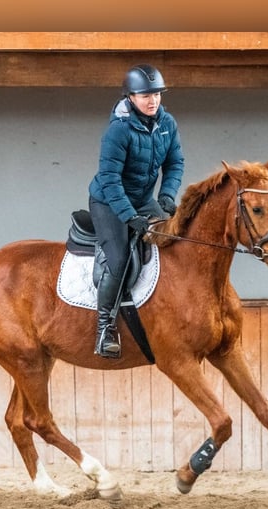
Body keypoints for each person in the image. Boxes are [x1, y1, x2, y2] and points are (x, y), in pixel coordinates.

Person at [88, 64, 185, 358]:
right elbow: (110, 179)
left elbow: (175, 163)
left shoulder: (167, 123)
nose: (152, 100)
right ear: (131, 97)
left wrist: (167, 196)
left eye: (156, 93)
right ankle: (105, 328)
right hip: (109, 202)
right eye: (145, 95)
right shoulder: (118, 131)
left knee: (176, 245)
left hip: (144, 199)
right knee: (118, 260)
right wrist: (130, 217)